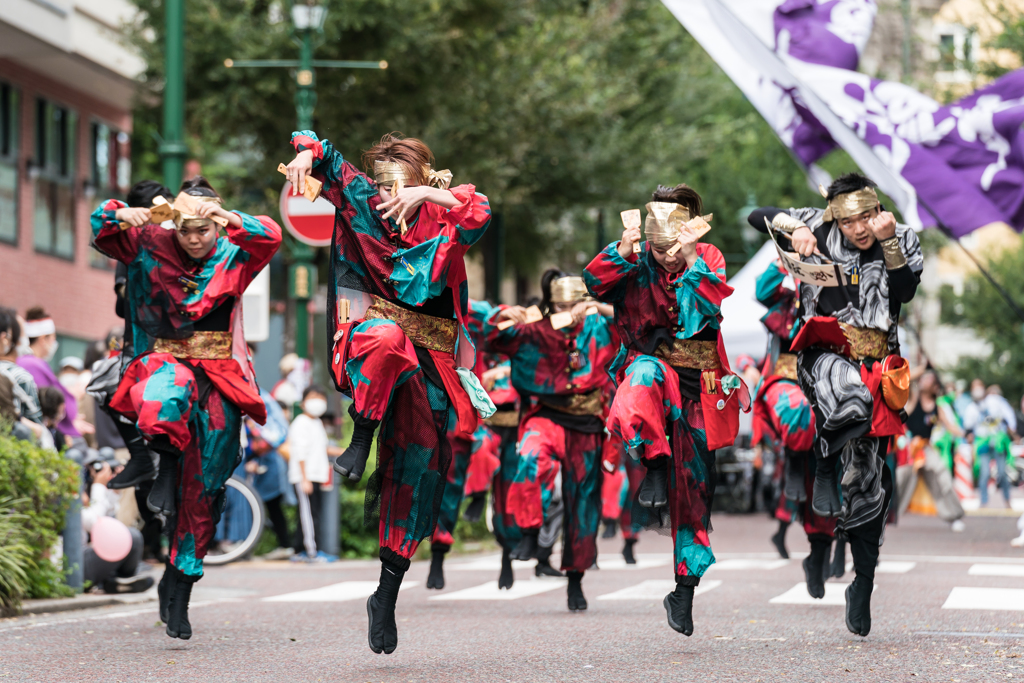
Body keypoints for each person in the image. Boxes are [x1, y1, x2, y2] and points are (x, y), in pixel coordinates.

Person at [284, 129, 491, 654]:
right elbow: (321, 151)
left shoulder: (442, 212)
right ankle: (361, 434)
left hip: (433, 364)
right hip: (372, 346)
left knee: (417, 477)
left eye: (403, 186)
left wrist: (428, 195)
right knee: (386, 335)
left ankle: (386, 594)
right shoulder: (361, 202)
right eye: (383, 186)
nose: (389, 195)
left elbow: (479, 211)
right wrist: (305, 156)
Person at [90, 175, 281, 640]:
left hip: (220, 376)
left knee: (206, 491)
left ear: (216, 225)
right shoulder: (149, 242)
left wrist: (230, 218)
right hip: (162, 361)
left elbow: (271, 234)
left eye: (204, 229)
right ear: (173, 226)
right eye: (186, 230)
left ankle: (179, 585)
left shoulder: (236, 250)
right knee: (166, 390)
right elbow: (101, 227)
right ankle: (166, 461)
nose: (194, 238)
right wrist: (122, 212)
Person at [747, 172, 923, 637]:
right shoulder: (815, 227)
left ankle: (862, 584)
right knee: (846, 396)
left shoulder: (901, 235)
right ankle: (823, 462)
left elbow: (904, 291)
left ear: (877, 210)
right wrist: (793, 226)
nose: (858, 228)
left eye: (866, 217)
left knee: (869, 486)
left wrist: (888, 244)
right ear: (834, 217)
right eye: (848, 220)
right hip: (822, 355)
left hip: (878, 365)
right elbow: (755, 215)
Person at [585, 184, 749, 637]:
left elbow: (707, 308)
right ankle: (654, 461)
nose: (668, 255)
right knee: (641, 379)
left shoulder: (707, 257)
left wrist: (692, 256)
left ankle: (684, 589)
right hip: (652, 373)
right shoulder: (634, 260)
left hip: (699, 389)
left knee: (694, 496)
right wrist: (624, 246)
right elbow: (594, 282)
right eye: (660, 247)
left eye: (675, 245)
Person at [488, 272, 617, 611]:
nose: (569, 311)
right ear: (551, 304)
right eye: (562, 305)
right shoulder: (537, 328)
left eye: (575, 304)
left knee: (583, 501)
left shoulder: (600, 327)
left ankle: (575, 579)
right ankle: (529, 535)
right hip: (546, 415)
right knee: (529, 460)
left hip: (587, 423)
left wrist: (599, 309)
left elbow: (636, 325)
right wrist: (503, 315)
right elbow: (491, 338)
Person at [751, 258, 839, 594]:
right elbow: (761, 289)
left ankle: (818, 555)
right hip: (786, 383)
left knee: (828, 481)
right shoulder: (785, 297)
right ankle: (793, 455)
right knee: (802, 414)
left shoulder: (837, 295)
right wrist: (784, 258)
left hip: (828, 382)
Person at [896, 371, 965, 530]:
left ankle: (954, 516)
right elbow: (906, 379)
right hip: (909, 448)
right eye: (924, 378)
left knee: (942, 476)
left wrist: (965, 434)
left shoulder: (937, 407)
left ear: (935, 387)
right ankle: (887, 515)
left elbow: (950, 426)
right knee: (899, 481)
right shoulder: (913, 398)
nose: (924, 381)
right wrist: (922, 367)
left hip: (926, 448)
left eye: (929, 379)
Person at [81, 450, 154, 594]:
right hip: (72, 565)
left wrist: (113, 491)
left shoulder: (85, 489)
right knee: (131, 536)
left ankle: (117, 581)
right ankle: (111, 581)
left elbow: (109, 524)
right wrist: (98, 486)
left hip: (85, 553)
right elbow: (94, 522)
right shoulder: (66, 490)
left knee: (131, 536)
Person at [18, 307, 90, 443]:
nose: (54, 343)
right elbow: (47, 401)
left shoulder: (31, 362)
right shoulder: (32, 364)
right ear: (43, 339)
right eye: (53, 338)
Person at [286, 385, 339, 562]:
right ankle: (311, 552)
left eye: (321, 397)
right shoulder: (300, 422)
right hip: (305, 476)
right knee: (309, 515)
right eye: (313, 397)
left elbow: (323, 448)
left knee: (310, 513)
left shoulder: (316, 423)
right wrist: (304, 478)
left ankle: (300, 551)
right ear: (303, 402)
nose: (318, 401)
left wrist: (348, 451)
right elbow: (300, 451)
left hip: (315, 475)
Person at [962, 380, 1016, 508]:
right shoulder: (971, 408)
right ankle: (984, 502)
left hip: (998, 442)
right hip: (983, 443)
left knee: (1002, 472)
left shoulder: (995, 401)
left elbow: (1008, 415)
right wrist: (969, 437)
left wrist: (1011, 430)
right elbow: (968, 429)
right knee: (985, 473)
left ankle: (1007, 500)